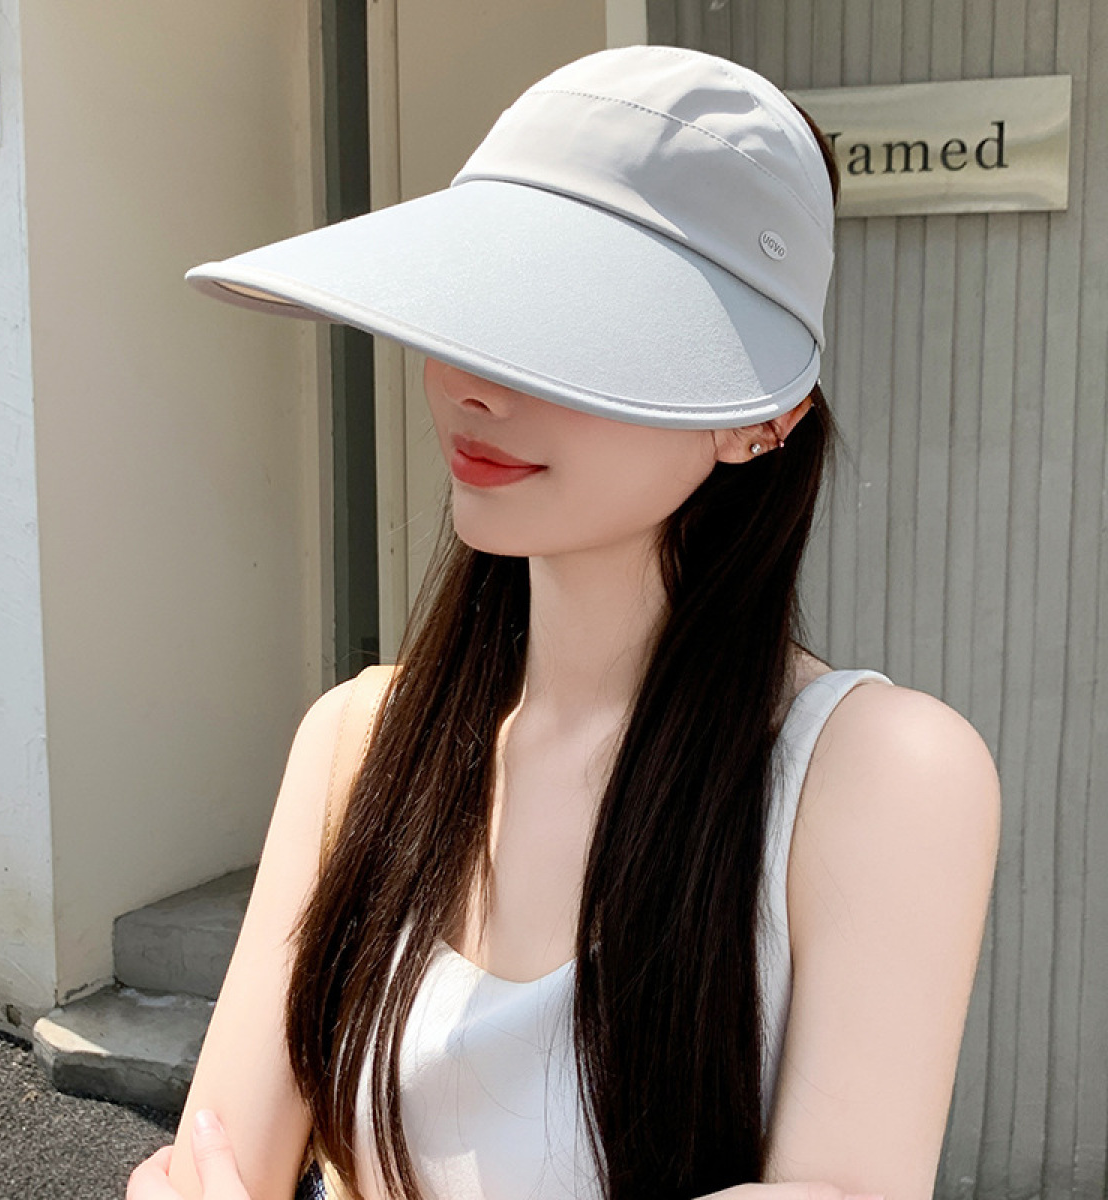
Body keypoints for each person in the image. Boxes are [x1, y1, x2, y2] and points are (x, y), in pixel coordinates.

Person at [128, 45, 1000, 1200]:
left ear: (763, 421)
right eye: (472, 311)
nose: (477, 385)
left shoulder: (877, 773)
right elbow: (204, 1171)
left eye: (574, 335)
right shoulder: (356, 742)